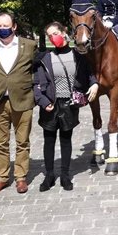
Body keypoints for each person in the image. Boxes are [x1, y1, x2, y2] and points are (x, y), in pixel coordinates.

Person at [33, 22, 99, 192]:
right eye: (49, 35)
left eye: (55, 33)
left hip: (69, 104)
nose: (52, 37)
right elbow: (37, 84)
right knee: (49, 140)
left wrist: (94, 84)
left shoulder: (79, 56)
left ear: (64, 33)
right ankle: (49, 175)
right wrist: (43, 101)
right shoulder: (45, 58)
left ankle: (65, 174)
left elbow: (89, 75)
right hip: (50, 104)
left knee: (66, 139)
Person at [0, 11, 37, 195]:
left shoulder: (29, 46)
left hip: (22, 101)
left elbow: (36, 70)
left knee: (22, 141)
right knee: (0, 143)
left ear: (14, 26)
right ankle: (2, 178)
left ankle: (21, 177)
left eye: (6, 26)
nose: (2, 29)